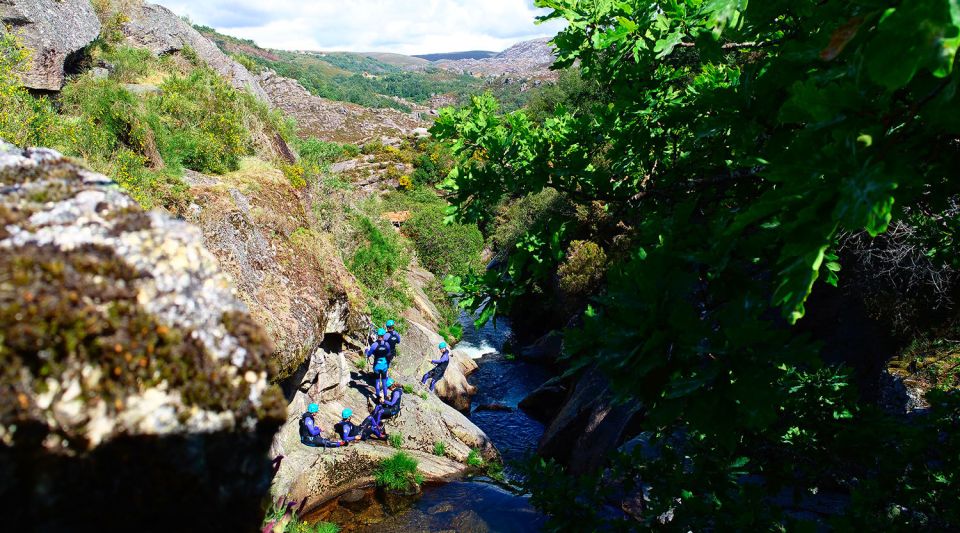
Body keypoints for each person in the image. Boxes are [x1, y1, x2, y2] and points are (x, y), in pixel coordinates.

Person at [366, 329, 391, 402]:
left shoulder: (374, 345)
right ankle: (385, 396)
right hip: (384, 364)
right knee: (383, 381)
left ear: (378, 335)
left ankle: (377, 397)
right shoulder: (387, 344)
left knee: (377, 381)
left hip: (377, 365)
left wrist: (366, 351)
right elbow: (388, 354)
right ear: (383, 335)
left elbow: (369, 354)